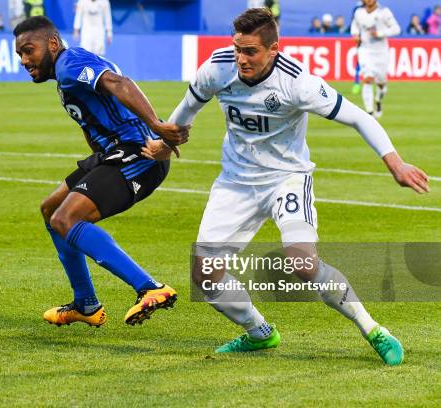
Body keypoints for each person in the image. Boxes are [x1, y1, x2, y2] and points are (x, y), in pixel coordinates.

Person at [143, 7, 429, 365]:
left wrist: (395, 163)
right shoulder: (217, 68)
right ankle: (259, 333)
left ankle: (373, 330)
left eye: (250, 51)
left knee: (302, 262)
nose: (241, 58)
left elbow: (358, 117)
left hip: (287, 179)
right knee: (206, 276)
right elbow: (186, 110)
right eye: (237, 49)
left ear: (273, 49)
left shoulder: (298, 83)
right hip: (235, 182)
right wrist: (167, 143)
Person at [13, 16, 187, 328]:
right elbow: (91, 121)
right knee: (51, 208)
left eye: (29, 50)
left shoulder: (68, 63)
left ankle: (150, 288)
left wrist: (157, 126)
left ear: (52, 44)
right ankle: (86, 305)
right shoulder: (66, 77)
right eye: (20, 55)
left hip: (137, 153)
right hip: (112, 154)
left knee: (67, 219)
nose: (25, 60)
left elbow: (119, 83)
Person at [350, 0, 400, 118]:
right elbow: (355, 26)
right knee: (367, 79)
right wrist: (355, 35)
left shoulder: (384, 12)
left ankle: (378, 99)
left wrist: (380, 33)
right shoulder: (359, 12)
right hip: (365, 50)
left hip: (381, 52)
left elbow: (396, 29)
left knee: (381, 83)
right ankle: (369, 113)